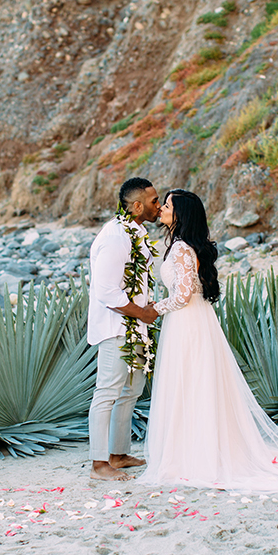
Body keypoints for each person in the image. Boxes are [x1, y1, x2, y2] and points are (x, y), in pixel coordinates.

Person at [138, 189, 278, 491]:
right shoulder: (182, 245)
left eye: (167, 205)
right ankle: (195, 450)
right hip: (194, 321)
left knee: (190, 384)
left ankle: (193, 455)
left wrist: (154, 309)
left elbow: (181, 296)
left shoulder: (181, 248)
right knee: (194, 385)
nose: (162, 209)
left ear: (179, 214)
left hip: (187, 323)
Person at [87, 177, 161, 481]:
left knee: (130, 391)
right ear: (137, 205)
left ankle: (117, 454)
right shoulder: (116, 237)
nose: (159, 206)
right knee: (107, 392)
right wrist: (142, 313)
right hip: (116, 328)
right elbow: (105, 291)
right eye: (155, 201)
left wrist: (146, 309)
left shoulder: (136, 234)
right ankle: (98, 464)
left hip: (135, 328)